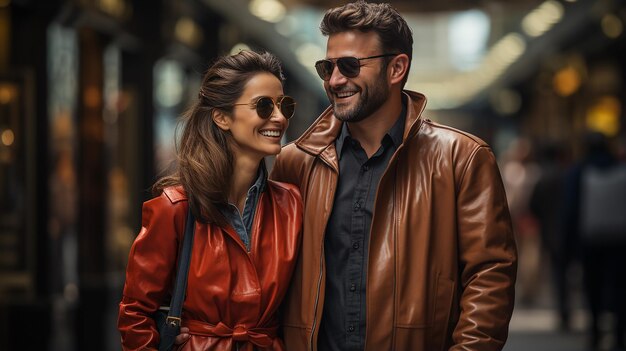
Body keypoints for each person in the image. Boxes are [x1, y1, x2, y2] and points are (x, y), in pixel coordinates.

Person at [270, 2, 517, 350]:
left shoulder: (462, 159)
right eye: (327, 67)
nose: (336, 80)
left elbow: (489, 275)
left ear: (397, 68)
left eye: (351, 65)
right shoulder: (295, 163)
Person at [117, 50, 302, 351]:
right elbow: (135, 314)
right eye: (264, 106)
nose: (280, 117)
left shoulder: (292, 206)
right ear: (222, 116)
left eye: (285, 105)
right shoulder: (175, 207)